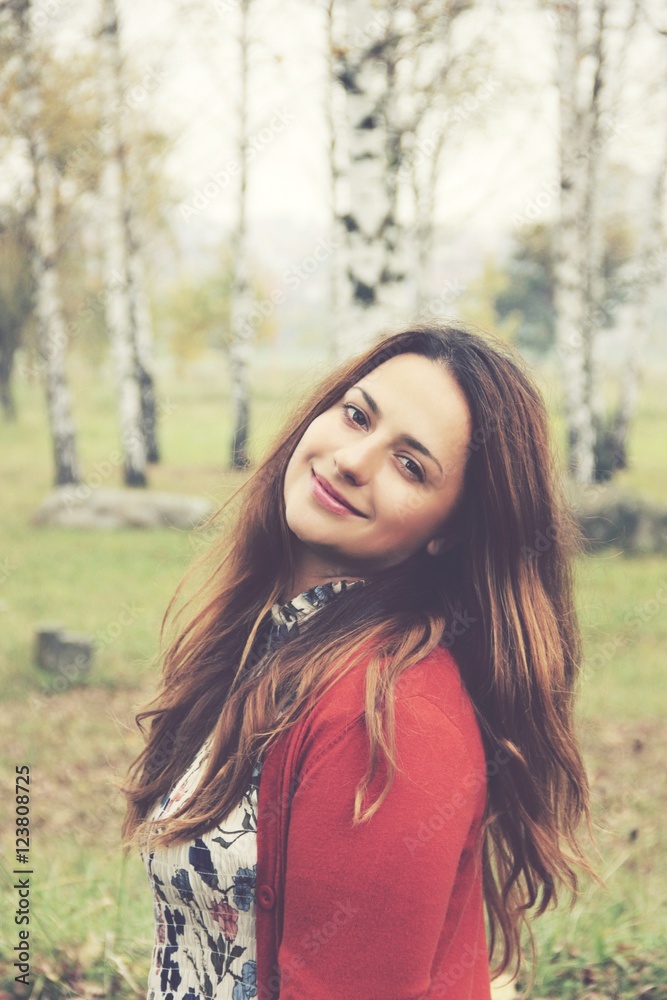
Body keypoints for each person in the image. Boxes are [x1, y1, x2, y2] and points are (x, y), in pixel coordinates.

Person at [120, 325, 594, 1000]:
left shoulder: (391, 718)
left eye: (410, 466)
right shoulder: (272, 641)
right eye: (357, 415)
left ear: (449, 531)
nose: (351, 460)